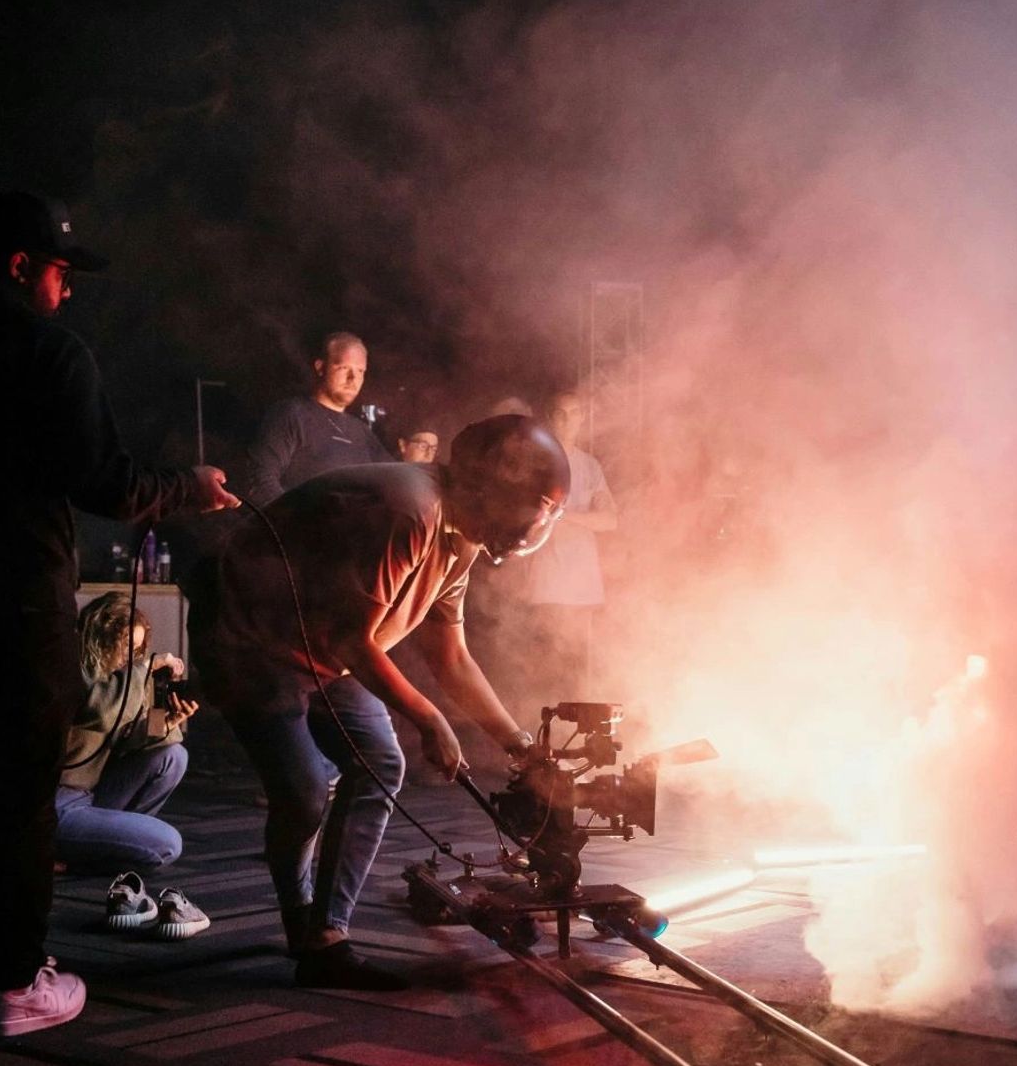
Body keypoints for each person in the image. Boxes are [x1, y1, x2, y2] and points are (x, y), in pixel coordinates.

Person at [0, 190, 240, 1066]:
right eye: (61, 272)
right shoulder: (49, 351)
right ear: (19, 265)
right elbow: (106, 482)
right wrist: (190, 488)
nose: (67, 291)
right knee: (21, 806)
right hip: (19, 614)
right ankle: (13, 986)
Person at [186, 414, 570, 990]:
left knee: (380, 765)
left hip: (325, 649)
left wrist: (519, 745)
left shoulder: (460, 538)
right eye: (540, 506)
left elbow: (451, 656)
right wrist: (429, 718)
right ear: (495, 483)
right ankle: (302, 921)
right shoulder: (409, 510)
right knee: (303, 793)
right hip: (252, 641)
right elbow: (352, 639)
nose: (539, 523)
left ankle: (325, 937)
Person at [56, 592, 197, 873]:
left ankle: (99, 845)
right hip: (57, 804)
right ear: (100, 639)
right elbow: (103, 711)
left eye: (136, 650)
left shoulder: (124, 680)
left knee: (174, 756)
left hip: (91, 794)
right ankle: (69, 858)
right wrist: (146, 667)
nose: (129, 658)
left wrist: (167, 724)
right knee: (168, 843)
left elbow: (125, 741)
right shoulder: (74, 669)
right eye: (124, 646)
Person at [514, 390, 618, 717]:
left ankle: (569, 738)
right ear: (550, 417)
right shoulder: (534, 463)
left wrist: (562, 515)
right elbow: (522, 518)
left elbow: (610, 520)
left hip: (583, 587)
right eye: (560, 414)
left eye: (574, 414)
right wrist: (568, 518)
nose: (567, 421)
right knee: (542, 671)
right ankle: (536, 733)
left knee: (577, 674)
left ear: (582, 418)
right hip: (545, 585)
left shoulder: (590, 465)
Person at [243, 330, 392, 507]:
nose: (353, 379)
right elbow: (260, 480)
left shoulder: (362, 433)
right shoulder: (291, 415)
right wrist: (295, 519)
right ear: (320, 367)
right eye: (344, 368)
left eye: (360, 371)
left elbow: (394, 480)